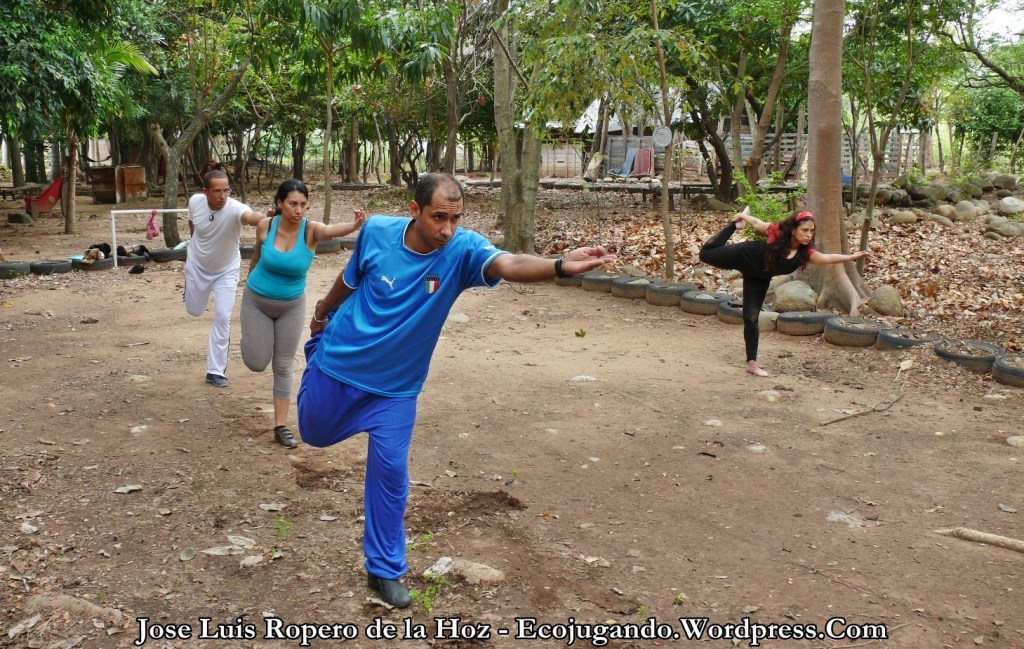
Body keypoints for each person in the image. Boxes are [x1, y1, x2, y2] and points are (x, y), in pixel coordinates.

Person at [296, 172, 616, 608]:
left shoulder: (462, 250)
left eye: (455, 217)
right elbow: (348, 281)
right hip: (341, 365)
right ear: (415, 211)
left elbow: (510, 263)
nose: (447, 228)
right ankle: (314, 358)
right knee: (313, 434)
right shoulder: (376, 232)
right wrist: (320, 314)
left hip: (396, 391)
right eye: (438, 217)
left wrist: (559, 264)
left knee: (392, 476)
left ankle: (384, 570)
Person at [240, 179, 365, 449]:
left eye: (303, 205)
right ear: (280, 203)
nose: (299, 210)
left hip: (291, 305)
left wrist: (355, 226)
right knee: (257, 361)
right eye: (293, 204)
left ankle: (281, 426)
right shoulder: (266, 226)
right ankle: (252, 340)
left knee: (283, 364)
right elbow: (256, 258)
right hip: (256, 301)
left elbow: (331, 231)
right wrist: (247, 286)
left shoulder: (311, 231)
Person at [699, 207, 870, 377]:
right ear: (794, 230)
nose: (809, 234)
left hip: (758, 277)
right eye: (805, 230)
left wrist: (850, 257)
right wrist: (744, 217)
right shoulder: (778, 233)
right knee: (705, 254)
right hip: (745, 255)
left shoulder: (805, 253)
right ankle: (734, 226)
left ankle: (752, 364)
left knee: (751, 318)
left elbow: (826, 258)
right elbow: (759, 224)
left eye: (811, 231)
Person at [183, 170, 265, 388]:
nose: (223, 195)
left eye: (226, 190)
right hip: (197, 266)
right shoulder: (195, 201)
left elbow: (251, 218)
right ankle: (190, 292)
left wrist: (267, 218)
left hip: (226, 270)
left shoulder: (236, 208)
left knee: (223, 315)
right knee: (194, 310)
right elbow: (193, 224)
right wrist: (196, 245)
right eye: (217, 191)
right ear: (205, 192)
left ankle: (215, 370)